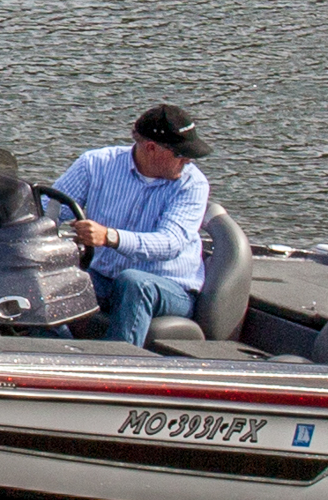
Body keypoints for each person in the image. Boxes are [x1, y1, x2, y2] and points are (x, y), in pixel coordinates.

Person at [55, 104, 215, 344]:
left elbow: (170, 244)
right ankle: (56, 349)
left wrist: (109, 236)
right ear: (151, 148)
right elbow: (50, 207)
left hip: (170, 288)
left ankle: (118, 367)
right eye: (181, 154)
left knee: (133, 283)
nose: (189, 161)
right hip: (104, 277)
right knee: (51, 278)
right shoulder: (95, 164)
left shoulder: (193, 185)